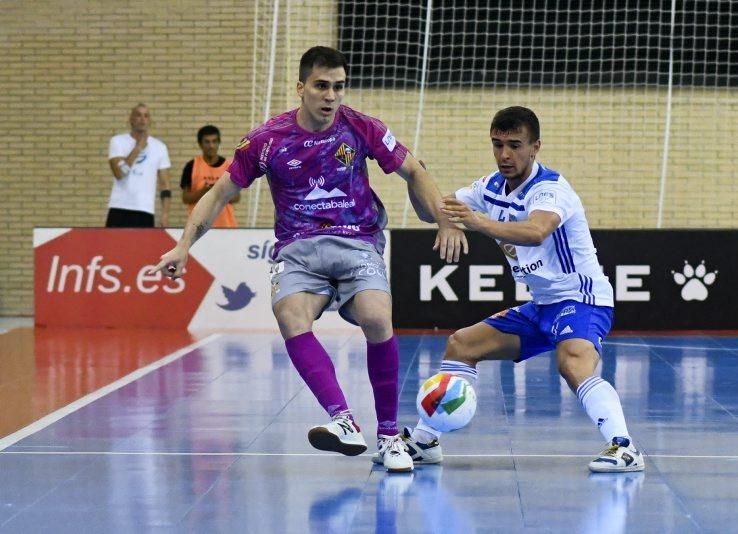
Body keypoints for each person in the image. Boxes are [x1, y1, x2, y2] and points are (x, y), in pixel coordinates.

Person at [150, 46, 468, 473]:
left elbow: (414, 169)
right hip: (298, 249)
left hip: (357, 241)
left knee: (377, 318)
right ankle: (344, 421)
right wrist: (184, 245)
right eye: (321, 86)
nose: (331, 96)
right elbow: (218, 194)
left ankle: (390, 437)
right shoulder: (266, 140)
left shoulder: (362, 127)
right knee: (291, 316)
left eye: (338, 86)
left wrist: (445, 221)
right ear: (301, 88)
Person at [395, 106, 644, 473]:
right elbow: (433, 212)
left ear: (535, 147)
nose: (505, 155)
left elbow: (536, 230)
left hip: (581, 296)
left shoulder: (550, 189)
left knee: (573, 360)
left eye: (514, 145)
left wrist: (476, 222)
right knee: (462, 345)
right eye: (497, 145)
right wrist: (416, 180)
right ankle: (426, 441)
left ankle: (624, 447)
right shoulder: (489, 187)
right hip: (541, 304)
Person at [106, 103, 172, 227]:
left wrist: (165, 214)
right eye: (138, 115)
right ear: (131, 119)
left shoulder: (160, 147)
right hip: (119, 207)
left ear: (150, 121)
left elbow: (165, 185)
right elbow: (119, 173)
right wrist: (138, 147)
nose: (142, 119)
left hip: (144, 209)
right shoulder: (118, 141)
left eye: (146, 116)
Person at [181, 125, 240, 228]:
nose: (211, 145)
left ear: (219, 142)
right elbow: (185, 198)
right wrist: (203, 192)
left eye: (214, 141)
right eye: (207, 142)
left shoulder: (229, 165)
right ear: (200, 144)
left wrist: (218, 190)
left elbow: (236, 197)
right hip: (197, 228)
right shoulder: (191, 165)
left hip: (226, 227)